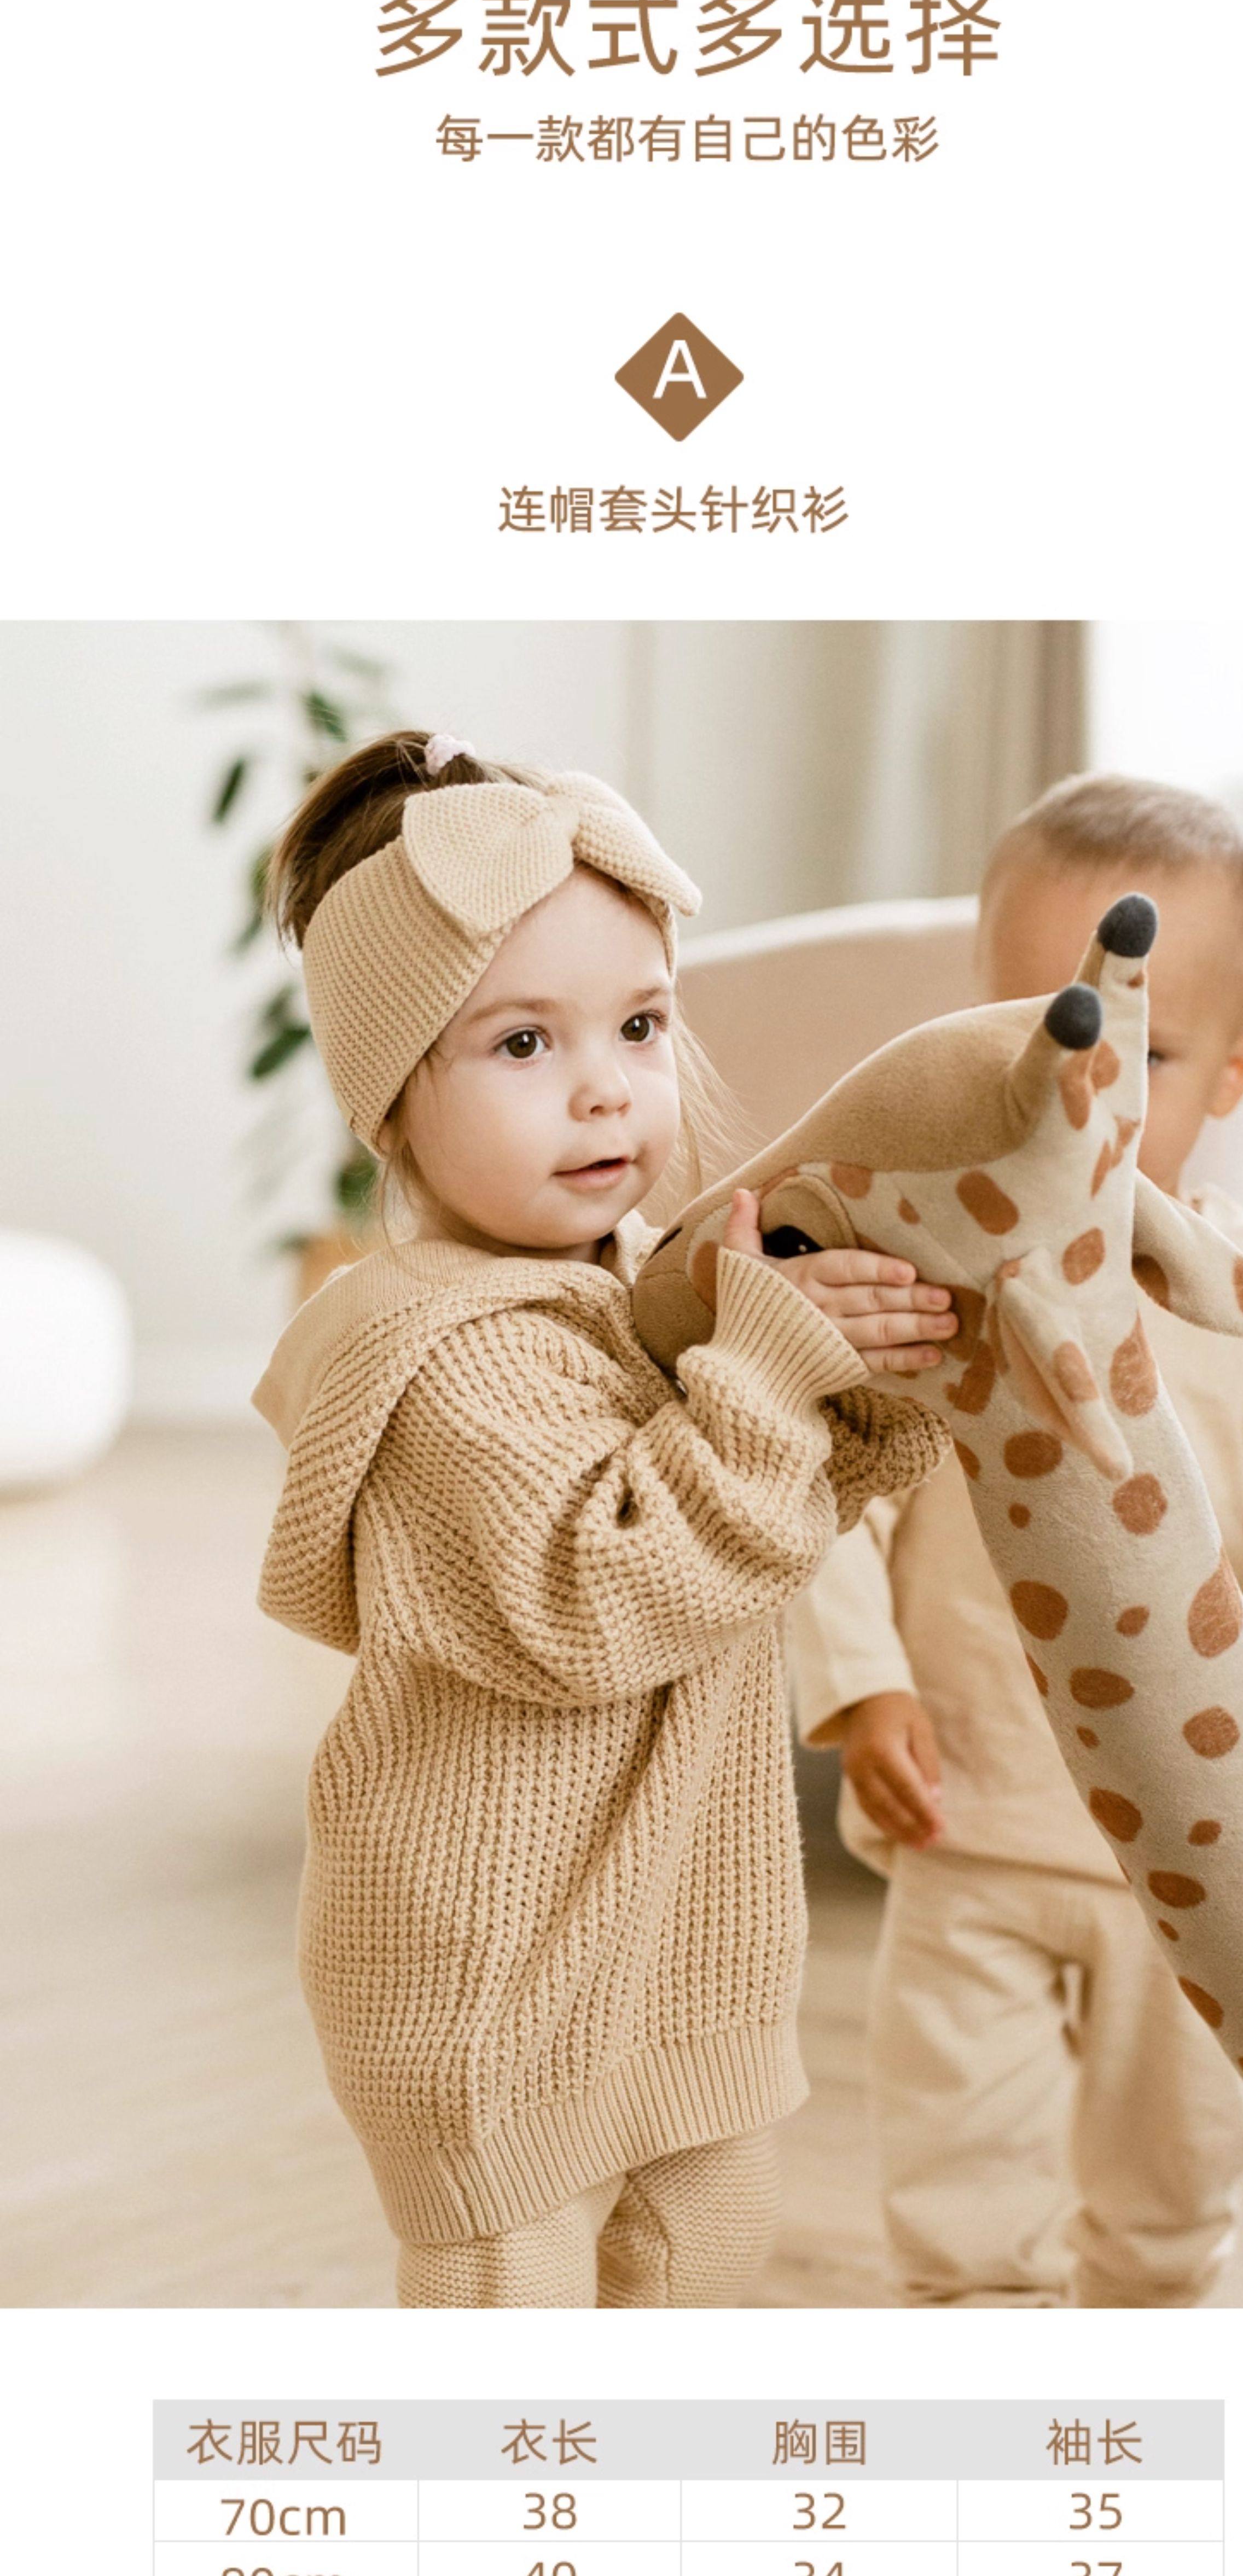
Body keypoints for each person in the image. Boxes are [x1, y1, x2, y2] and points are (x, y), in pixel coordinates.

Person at [252, 730, 955, 2309]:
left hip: (684, 1954)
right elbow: (612, 1588)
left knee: (705, 2268)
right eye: (521, 1043)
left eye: (640, 1024)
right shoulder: (443, 1362)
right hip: (494, 1988)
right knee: (520, 2342)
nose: (604, 1086)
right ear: (390, 1103)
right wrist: (765, 1374)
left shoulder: (648, 1295)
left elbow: (759, 1525)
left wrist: (871, 1384)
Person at [787, 774, 1243, 2308]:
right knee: (958, 2171)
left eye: (1144, 1055)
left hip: (1195, 1862)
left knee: (1174, 2180)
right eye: (1043, 1036)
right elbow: (838, 1493)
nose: (1079, 1094)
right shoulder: (933, 1280)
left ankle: (1140, 2372)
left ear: (1236, 1071)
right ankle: (984, 2363)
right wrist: (862, 1688)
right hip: (969, 1819)